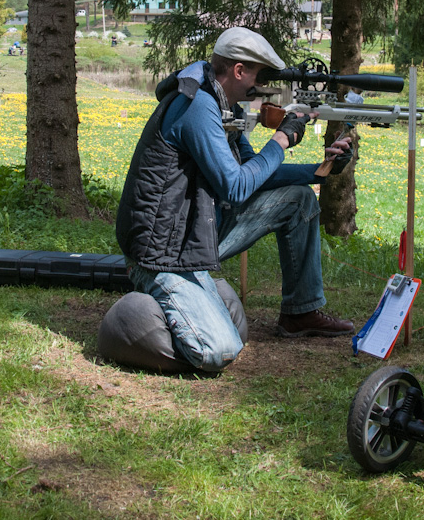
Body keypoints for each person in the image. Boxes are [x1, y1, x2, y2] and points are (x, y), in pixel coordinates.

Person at [115, 27, 356, 372]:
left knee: (299, 200)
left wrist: (322, 170)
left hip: (194, 230)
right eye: (259, 76)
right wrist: (281, 141)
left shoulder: (225, 106)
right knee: (219, 350)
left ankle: (300, 314)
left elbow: (252, 172)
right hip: (162, 250)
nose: (263, 87)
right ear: (239, 71)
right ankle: (136, 311)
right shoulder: (197, 107)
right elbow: (237, 187)